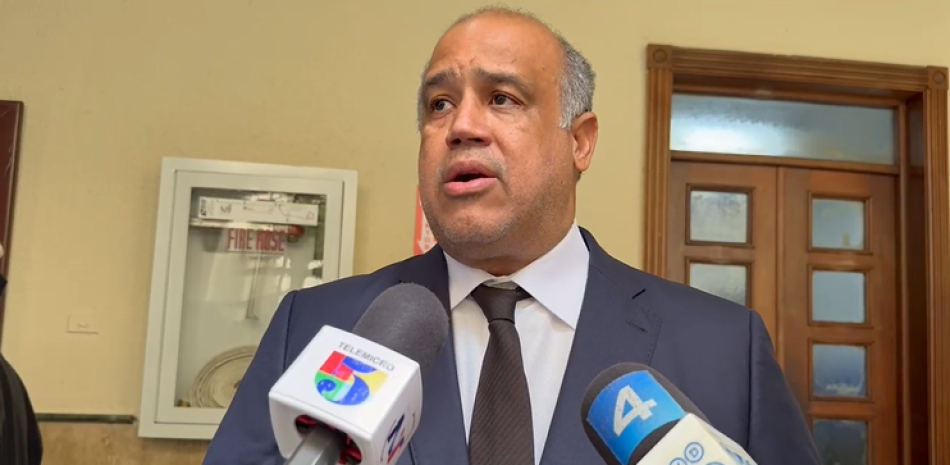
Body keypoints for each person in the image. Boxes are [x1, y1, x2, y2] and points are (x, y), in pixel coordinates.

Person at [203, 6, 821, 465]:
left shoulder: (723, 349)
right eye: (439, 104)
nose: (461, 126)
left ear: (580, 142)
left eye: (502, 98)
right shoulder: (314, 329)